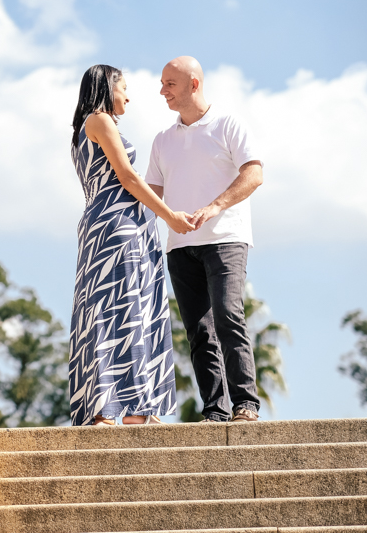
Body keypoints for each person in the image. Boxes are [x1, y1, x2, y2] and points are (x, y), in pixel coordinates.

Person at [69, 64, 190, 427]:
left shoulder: (83, 129)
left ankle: (132, 407)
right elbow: (127, 176)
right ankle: (113, 408)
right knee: (122, 309)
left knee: (122, 308)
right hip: (118, 227)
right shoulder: (100, 121)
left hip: (116, 226)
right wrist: (168, 214)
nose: (128, 96)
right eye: (124, 87)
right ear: (108, 87)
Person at [145, 56, 264, 423]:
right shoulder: (163, 140)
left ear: (193, 84)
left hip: (226, 240)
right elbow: (150, 193)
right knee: (198, 330)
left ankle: (245, 404)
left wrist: (214, 207)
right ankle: (214, 408)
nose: (162, 90)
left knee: (228, 315)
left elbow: (254, 174)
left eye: (170, 84)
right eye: (163, 83)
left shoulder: (228, 125)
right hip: (180, 248)